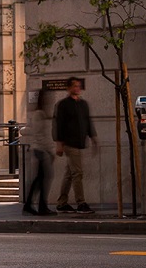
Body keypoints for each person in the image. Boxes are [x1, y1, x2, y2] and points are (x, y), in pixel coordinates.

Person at [53, 77, 97, 213]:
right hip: (69, 143)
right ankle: (81, 202)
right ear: (69, 88)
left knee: (69, 174)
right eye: (74, 86)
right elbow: (58, 125)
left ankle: (62, 202)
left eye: (78, 86)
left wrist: (93, 137)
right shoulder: (63, 105)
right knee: (77, 173)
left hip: (79, 142)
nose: (77, 88)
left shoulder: (83, 104)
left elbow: (88, 122)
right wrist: (59, 144)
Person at [22, 91, 56, 215]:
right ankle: (36, 205)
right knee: (44, 177)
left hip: (40, 150)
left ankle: (34, 204)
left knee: (40, 178)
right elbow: (39, 134)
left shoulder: (41, 114)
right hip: (40, 150)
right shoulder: (39, 114)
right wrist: (50, 150)